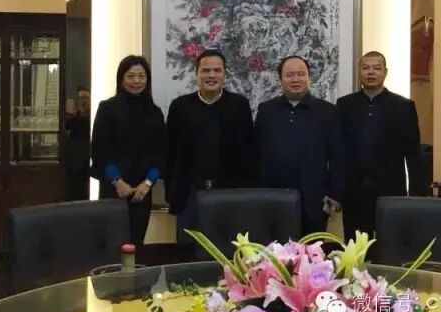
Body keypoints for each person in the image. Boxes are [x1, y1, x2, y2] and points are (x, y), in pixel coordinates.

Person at [165, 49, 255, 243]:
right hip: (188, 195)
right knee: (187, 251)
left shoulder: (239, 106)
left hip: (230, 194)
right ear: (196, 74)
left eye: (217, 70)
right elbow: (170, 152)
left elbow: (249, 153)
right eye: (206, 71)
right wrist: (171, 193)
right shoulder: (180, 107)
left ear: (224, 75)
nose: (211, 75)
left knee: (228, 250)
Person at [337, 50, 424, 241]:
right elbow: (337, 151)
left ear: (385, 72)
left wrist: (416, 195)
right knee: (355, 245)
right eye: (366, 68)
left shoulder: (403, 106)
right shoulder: (345, 105)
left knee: (391, 242)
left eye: (377, 68)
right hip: (354, 191)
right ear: (359, 71)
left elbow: (413, 155)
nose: (371, 72)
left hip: (391, 189)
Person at [255, 56, 345, 235]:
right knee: (273, 250)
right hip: (273, 197)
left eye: (301, 74)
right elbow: (256, 153)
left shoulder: (327, 111)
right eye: (289, 75)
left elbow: (338, 156)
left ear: (308, 77)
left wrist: (336, 194)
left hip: (314, 199)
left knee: (311, 249)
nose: (296, 79)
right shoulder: (266, 110)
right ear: (280, 80)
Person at [91, 55, 167, 245]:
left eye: (141, 76)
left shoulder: (155, 112)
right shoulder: (107, 108)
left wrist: (147, 184)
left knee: (136, 245)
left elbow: (160, 154)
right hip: (113, 190)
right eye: (131, 76)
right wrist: (118, 182)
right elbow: (100, 151)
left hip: (143, 192)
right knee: (111, 245)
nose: (136, 81)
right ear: (121, 78)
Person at [65, 86, 91, 200]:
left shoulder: (93, 118)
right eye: (80, 98)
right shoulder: (73, 118)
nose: (82, 101)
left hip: (88, 159)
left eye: (85, 98)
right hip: (74, 161)